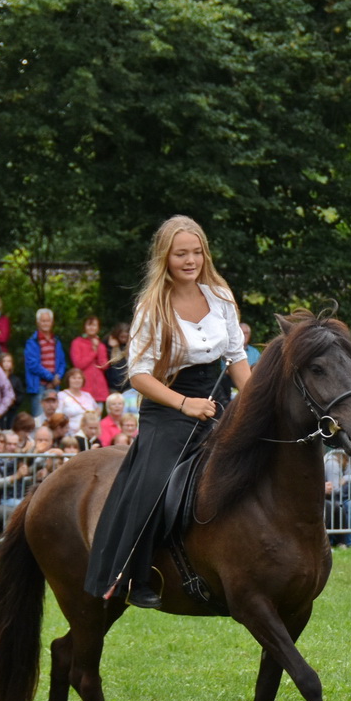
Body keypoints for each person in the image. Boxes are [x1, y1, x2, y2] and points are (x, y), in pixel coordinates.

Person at [84, 216, 254, 608]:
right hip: (168, 405)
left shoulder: (221, 297)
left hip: (216, 402)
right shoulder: (152, 305)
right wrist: (184, 404)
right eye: (181, 254)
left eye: (196, 252)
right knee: (155, 482)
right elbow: (139, 375)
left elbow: (236, 359)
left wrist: (260, 402)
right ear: (166, 257)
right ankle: (132, 576)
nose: (190, 260)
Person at [22, 309, 67, 418]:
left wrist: (58, 376)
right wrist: (51, 377)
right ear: (38, 322)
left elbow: (62, 362)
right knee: (39, 418)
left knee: (55, 418)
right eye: (43, 321)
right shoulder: (32, 342)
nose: (45, 324)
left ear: (52, 322)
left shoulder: (56, 341)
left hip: (54, 385)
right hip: (39, 386)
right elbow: (32, 364)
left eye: (48, 321)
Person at [70, 314, 111, 404]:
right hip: (84, 386)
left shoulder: (101, 345)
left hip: (99, 387)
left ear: (98, 328)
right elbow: (78, 364)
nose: (91, 328)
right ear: (84, 327)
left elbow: (104, 366)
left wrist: (98, 348)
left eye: (94, 325)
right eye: (89, 325)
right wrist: (93, 351)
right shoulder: (77, 342)